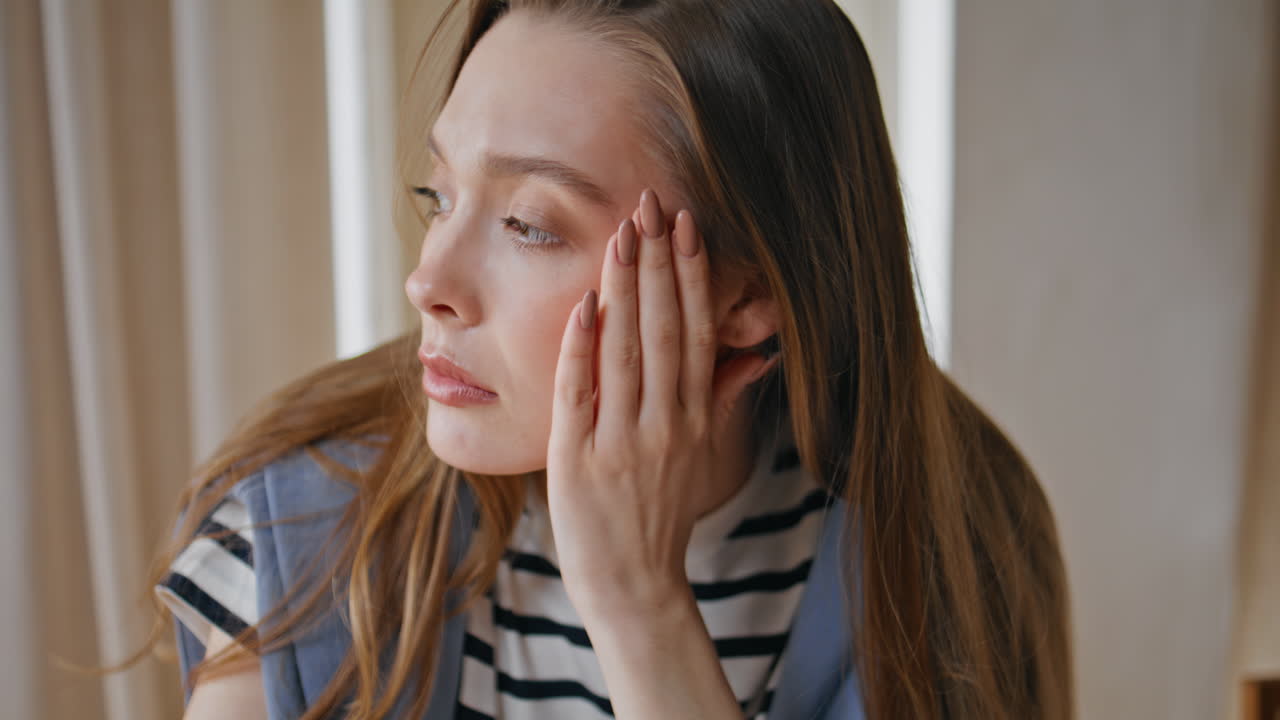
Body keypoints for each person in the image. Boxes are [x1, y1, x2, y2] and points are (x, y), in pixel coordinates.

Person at [136, 0, 1074, 718]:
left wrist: (641, 610)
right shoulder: (294, 541)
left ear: (749, 294)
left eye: (529, 225)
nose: (429, 279)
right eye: (439, 195)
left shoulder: (954, 538)